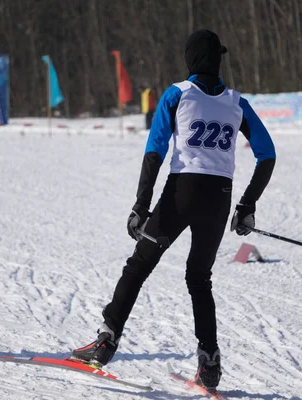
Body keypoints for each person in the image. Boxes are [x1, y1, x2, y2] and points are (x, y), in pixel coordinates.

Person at [72, 29, 276, 390]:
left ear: (190, 59)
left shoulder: (177, 93)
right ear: (216, 60)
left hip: (181, 193)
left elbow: (155, 150)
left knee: (138, 266)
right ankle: (210, 362)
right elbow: (267, 154)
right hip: (219, 197)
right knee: (199, 279)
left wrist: (141, 204)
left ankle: (106, 341)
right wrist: (246, 206)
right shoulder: (236, 101)